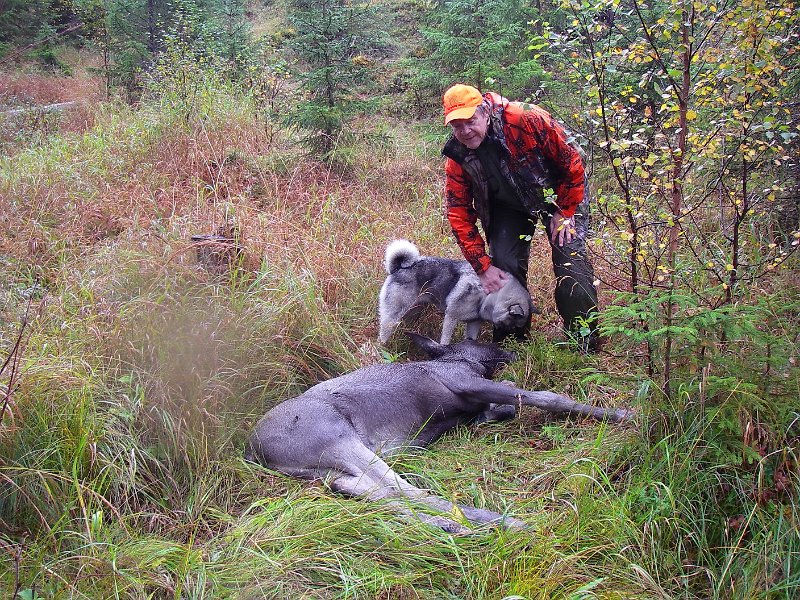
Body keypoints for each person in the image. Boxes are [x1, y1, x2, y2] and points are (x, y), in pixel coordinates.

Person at [441, 83, 601, 352]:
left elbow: (572, 161)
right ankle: (512, 338)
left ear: (485, 112)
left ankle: (582, 340)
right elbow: (458, 211)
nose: (465, 131)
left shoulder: (525, 118)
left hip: (558, 195)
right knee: (502, 265)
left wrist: (564, 212)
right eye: (457, 126)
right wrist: (481, 265)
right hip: (508, 206)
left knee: (569, 259)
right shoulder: (458, 156)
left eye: (470, 121)